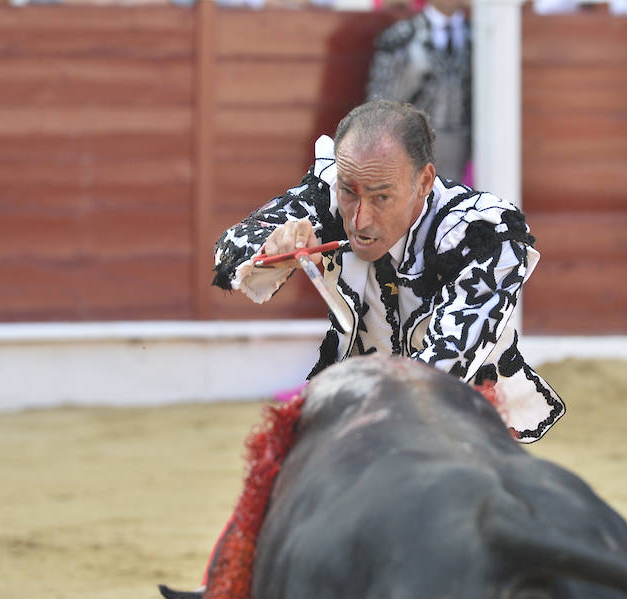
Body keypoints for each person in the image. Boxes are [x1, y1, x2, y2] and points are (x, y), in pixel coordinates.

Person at [213, 99, 564, 443]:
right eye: (349, 192)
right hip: (358, 394)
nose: (359, 219)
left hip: (468, 412)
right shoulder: (333, 191)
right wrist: (271, 248)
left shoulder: (484, 234)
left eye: (382, 197)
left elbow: (446, 363)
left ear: (424, 182)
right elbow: (231, 249)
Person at [365, 0, 471, 184]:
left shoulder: (480, 36)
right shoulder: (402, 36)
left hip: (463, 146)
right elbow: (379, 102)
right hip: (412, 143)